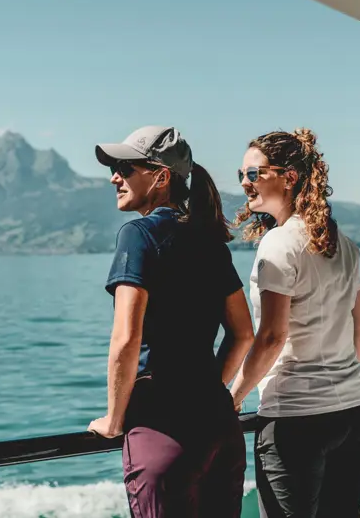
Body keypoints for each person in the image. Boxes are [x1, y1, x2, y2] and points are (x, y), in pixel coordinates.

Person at [88, 124, 256, 518]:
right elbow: (243, 334)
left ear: (161, 176)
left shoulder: (138, 236)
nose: (115, 176)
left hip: (163, 429)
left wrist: (114, 420)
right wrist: (207, 391)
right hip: (219, 429)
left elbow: (127, 340)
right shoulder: (209, 240)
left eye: (126, 168)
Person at [228, 129, 360, 518]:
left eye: (254, 174)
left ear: (289, 177)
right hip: (356, 410)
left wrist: (231, 397)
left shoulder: (278, 244)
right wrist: (340, 380)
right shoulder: (342, 243)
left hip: (297, 419)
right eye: (241, 174)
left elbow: (273, 336)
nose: (245, 183)